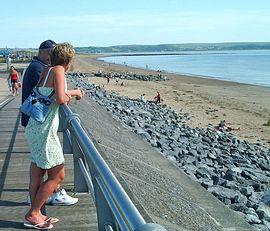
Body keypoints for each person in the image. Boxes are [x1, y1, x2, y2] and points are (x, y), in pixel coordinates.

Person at [23, 43, 84, 229]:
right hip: (45, 131)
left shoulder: (46, 69)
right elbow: (59, 98)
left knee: (37, 172)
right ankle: (33, 213)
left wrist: (67, 92)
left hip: (35, 127)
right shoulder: (58, 70)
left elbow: (48, 94)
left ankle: (37, 213)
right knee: (58, 175)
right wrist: (75, 92)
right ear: (68, 59)